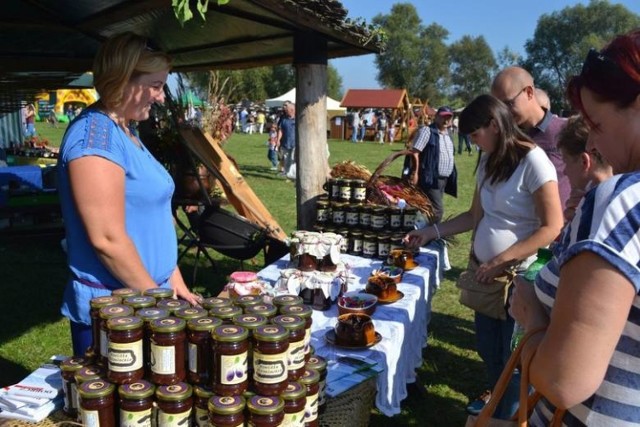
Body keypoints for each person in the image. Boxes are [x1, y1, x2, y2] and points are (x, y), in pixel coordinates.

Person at [510, 30, 640, 425]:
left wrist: (532, 316)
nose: (595, 146)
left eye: (597, 125)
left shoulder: (622, 202)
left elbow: (564, 381)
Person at [405, 94, 563, 419]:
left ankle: (511, 418)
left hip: (517, 282)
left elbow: (552, 226)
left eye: (476, 135)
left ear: (494, 125)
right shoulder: (489, 160)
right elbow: (475, 215)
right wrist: (431, 233)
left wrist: (500, 260)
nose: (475, 143)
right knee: (491, 356)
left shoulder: (534, 162)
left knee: (515, 363)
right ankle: (497, 414)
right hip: (486, 279)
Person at [56, 32, 200, 356]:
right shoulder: (94, 139)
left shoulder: (124, 129)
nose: (161, 97)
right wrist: (157, 299)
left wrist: (172, 278)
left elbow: (150, 216)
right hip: (117, 313)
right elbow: (107, 239)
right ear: (123, 80)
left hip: (146, 298)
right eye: (155, 85)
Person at [491, 67, 570, 211]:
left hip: (563, 227)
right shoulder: (507, 140)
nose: (504, 113)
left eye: (508, 104)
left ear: (528, 92)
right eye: (499, 107)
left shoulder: (566, 130)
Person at [405, 106, 457, 223]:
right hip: (430, 177)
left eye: (449, 117)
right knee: (437, 210)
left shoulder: (448, 133)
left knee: (429, 207)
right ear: (436, 117)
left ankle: (420, 231)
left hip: (444, 179)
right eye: (443, 117)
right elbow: (415, 153)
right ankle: (431, 234)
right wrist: (415, 173)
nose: (446, 120)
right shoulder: (427, 131)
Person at [557, 115, 612, 221]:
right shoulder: (628, 198)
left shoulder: (594, 212)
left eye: (566, 162)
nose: (564, 172)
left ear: (584, 161)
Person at [277, 101, 296, 176]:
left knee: (293, 159)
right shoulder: (283, 118)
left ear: (292, 110)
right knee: (286, 158)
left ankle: (293, 174)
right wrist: (278, 140)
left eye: (287, 110)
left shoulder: (297, 118)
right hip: (285, 142)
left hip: (295, 143)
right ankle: (287, 173)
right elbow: (280, 130)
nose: (285, 111)